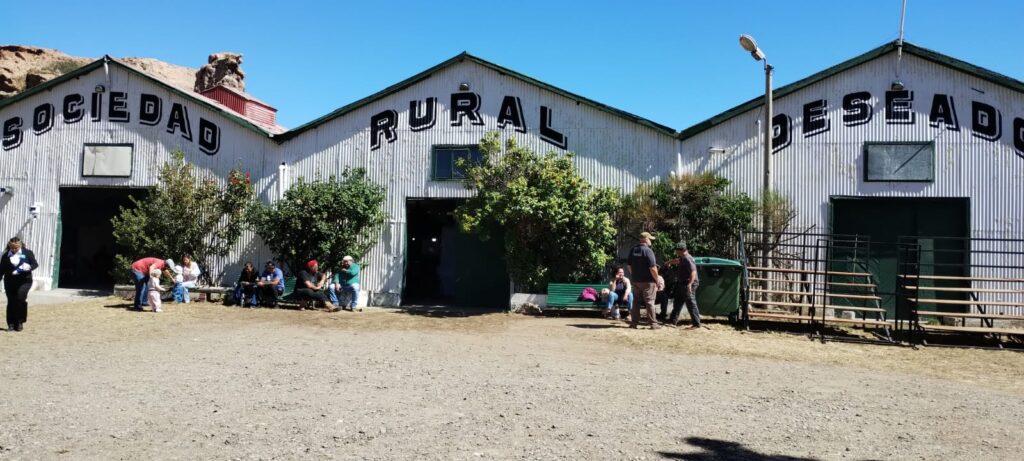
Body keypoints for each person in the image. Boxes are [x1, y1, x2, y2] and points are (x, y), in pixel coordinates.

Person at [0, 237, 38, 332]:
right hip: (10, 281)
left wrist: (28, 268)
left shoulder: (27, 253)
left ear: (20, 246)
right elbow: (1, 270)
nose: (13, 250)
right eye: (12, 248)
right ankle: (11, 324)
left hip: (24, 281)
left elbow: (35, 264)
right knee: (11, 301)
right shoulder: (5, 255)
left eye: (16, 248)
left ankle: (19, 322)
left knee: (20, 298)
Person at [627, 231, 661, 329]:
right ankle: (653, 324)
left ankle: (634, 323)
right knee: (650, 302)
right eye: (650, 239)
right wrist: (657, 279)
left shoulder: (633, 250)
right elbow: (653, 268)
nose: (651, 241)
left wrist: (635, 275)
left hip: (636, 281)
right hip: (648, 281)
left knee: (636, 302)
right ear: (646, 240)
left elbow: (629, 265)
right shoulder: (648, 251)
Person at [665, 240, 701, 329]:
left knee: (690, 303)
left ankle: (696, 324)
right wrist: (668, 262)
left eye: (677, 250)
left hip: (689, 283)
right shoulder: (682, 258)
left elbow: (693, 272)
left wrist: (690, 284)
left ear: (682, 250)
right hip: (682, 283)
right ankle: (673, 320)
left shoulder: (688, 259)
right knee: (678, 301)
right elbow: (677, 261)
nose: (676, 252)